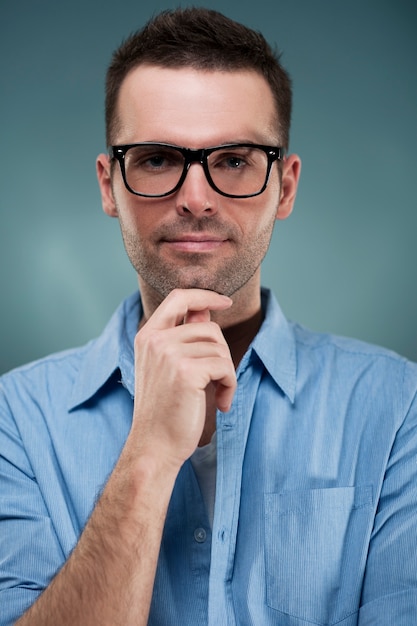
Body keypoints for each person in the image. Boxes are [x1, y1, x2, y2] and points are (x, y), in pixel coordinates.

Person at [1, 7, 417, 625]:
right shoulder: (14, 418)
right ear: (109, 185)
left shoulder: (398, 405)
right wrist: (147, 456)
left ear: (286, 187)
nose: (196, 199)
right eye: (157, 159)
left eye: (234, 161)